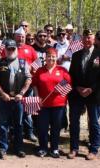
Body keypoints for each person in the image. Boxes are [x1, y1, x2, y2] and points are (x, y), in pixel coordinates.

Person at [0, 39, 32, 159]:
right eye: (8, 49)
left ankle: (19, 148)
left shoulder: (23, 62)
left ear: (16, 49)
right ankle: (2, 148)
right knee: (3, 124)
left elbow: (28, 79)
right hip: (4, 99)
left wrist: (22, 93)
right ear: (5, 50)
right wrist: (2, 93)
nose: (10, 51)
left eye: (13, 48)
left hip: (18, 99)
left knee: (18, 124)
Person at [32, 48, 71, 158]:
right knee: (42, 127)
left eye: (53, 56)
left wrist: (60, 88)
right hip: (43, 104)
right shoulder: (40, 70)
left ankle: (54, 148)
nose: (51, 58)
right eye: (49, 56)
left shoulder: (62, 70)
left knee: (56, 127)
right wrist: (37, 96)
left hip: (58, 105)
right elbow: (34, 84)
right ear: (45, 57)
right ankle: (43, 148)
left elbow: (69, 83)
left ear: (56, 57)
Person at [68, 29, 100, 160]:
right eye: (85, 37)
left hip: (94, 94)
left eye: (89, 37)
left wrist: (91, 89)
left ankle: (93, 149)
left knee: (94, 123)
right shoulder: (76, 55)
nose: (87, 40)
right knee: (74, 122)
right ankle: (74, 148)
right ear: (81, 39)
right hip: (77, 93)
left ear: (94, 39)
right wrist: (77, 87)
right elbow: (71, 75)